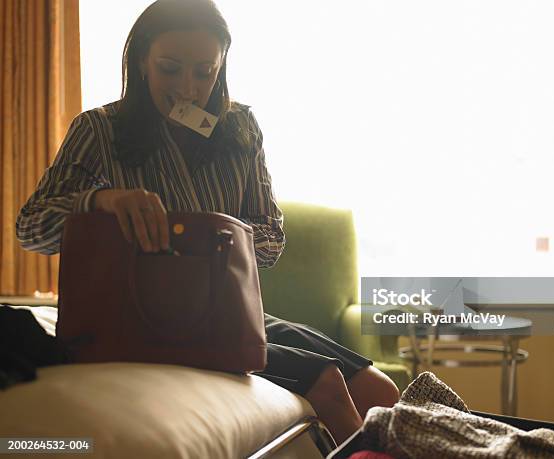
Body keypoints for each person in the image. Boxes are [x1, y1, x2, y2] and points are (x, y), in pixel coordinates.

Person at [15, 0, 399, 444]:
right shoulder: (100, 130)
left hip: (227, 312)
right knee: (329, 387)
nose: (188, 89)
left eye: (203, 72)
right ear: (142, 61)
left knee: (380, 390)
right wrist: (100, 201)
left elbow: (272, 240)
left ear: (221, 67)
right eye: (170, 69)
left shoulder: (240, 129)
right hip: (148, 316)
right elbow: (31, 228)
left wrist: (215, 240)